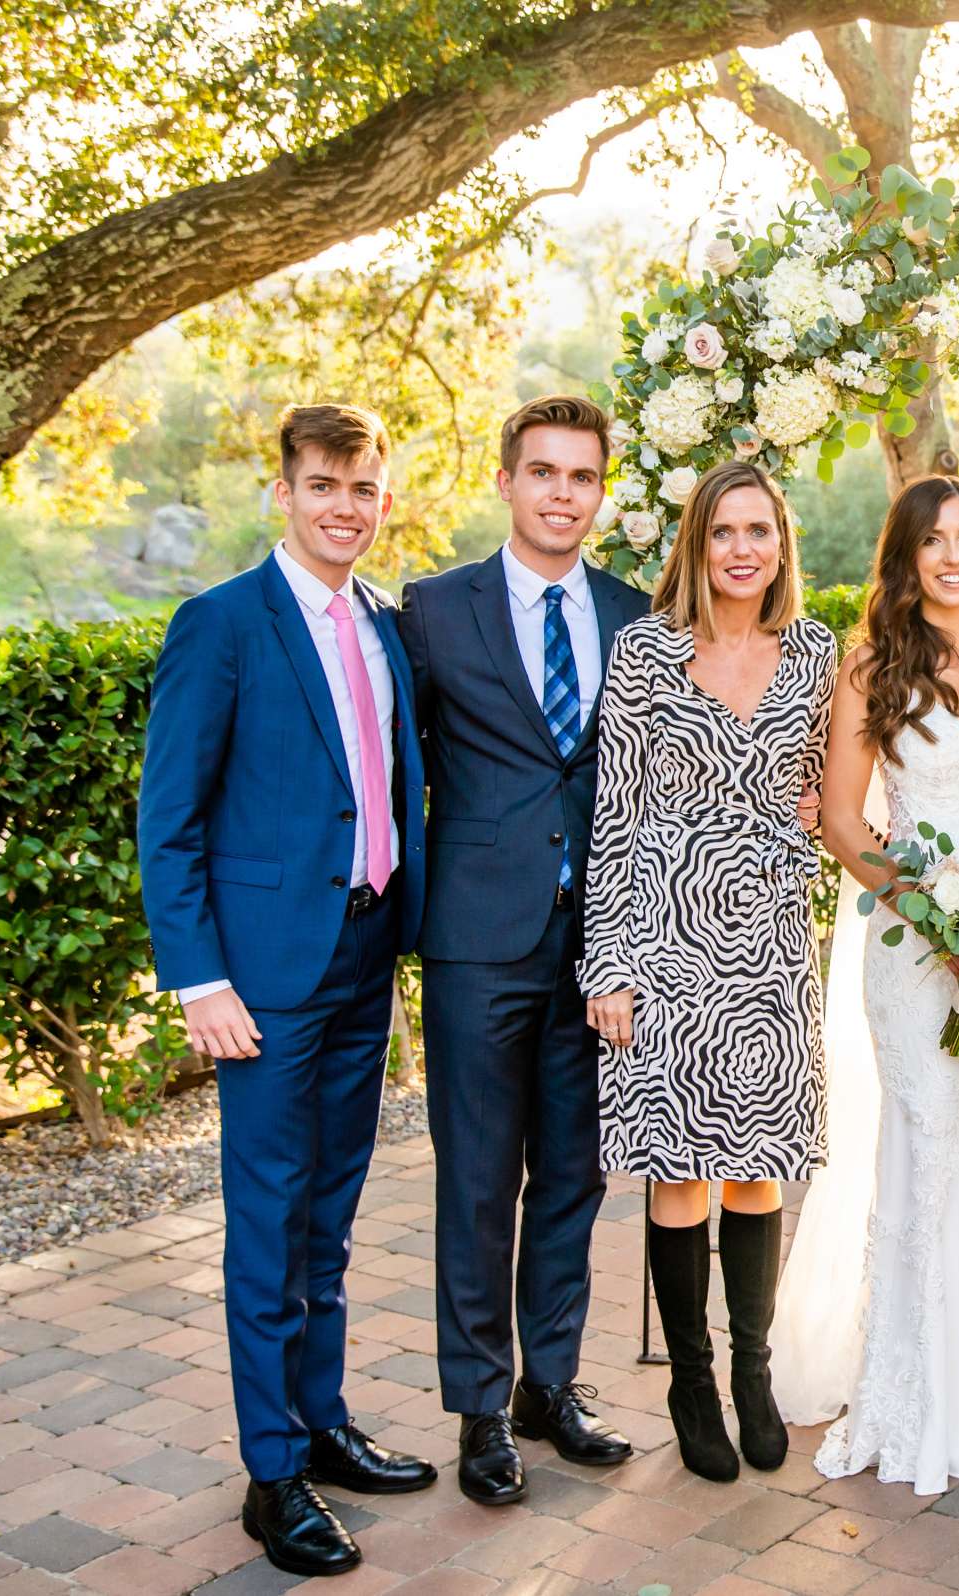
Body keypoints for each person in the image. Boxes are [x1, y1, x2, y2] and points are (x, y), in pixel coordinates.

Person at [138, 403, 434, 1578]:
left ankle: (322, 1423)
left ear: (384, 499)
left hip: (365, 956)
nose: (343, 508)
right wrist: (199, 976)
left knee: (330, 1217)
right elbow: (170, 822)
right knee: (268, 1223)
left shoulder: (382, 624)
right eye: (322, 486)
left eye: (362, 489)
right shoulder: (220, 624)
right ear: (285, 492)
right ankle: (273, 1477)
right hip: (261, 978)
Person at [774, 474, 959, 1493]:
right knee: (937, 1149)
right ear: (904, 559)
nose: (955, 555)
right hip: (916, 949)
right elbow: (847, 824)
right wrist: (934, 909)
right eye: (934, 540)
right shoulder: (872, 668)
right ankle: (928, 1401)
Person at [395, 396, 643, 1506]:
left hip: (597, 951)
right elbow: (392, 773)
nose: (560, 493)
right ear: (506, 481)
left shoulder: (637, 618)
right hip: (476, 944)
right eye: (541, 472)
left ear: (602, 491)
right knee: (480, 1182)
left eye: (581, 477)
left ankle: (554, 1385)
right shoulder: (434, 611)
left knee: (575, 1180)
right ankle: (479, 1410)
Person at [578, 460, 835, 1484]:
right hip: (665, 942)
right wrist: (608, 963)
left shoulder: (816, 653)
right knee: (679, 1172)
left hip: (770, 943)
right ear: (697, 543)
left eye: (759, 532)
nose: (741, 550)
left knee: (759, 1168)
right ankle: (691, 1380)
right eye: (723, 532)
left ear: (782, 544)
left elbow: (843, 778)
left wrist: (821, 813)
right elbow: (615, 818)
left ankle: (753, 1373)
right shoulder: (645, 652)